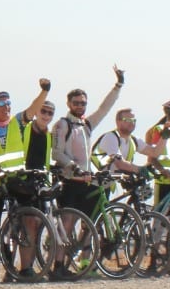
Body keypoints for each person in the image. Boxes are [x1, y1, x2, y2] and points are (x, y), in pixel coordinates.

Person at [0, 81, 50, 225]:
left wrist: (44, 91)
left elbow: (32, 109)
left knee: (28, 222)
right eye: (2, 104)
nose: (6, 107)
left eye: (8, 103)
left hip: (16, 180)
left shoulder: (16, 122)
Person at [51, 67, 124, 214]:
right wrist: (74, 167)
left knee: (92, 220)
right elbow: (56, 154)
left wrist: (118, 85)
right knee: (68, 222)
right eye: (76, 103)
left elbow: (104, 109)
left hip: (86, 180)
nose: (79, 106)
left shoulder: (86, 124)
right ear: (68, 104)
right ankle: (55, 238)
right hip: (68, 180)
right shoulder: (62, 124)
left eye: (83, 103)